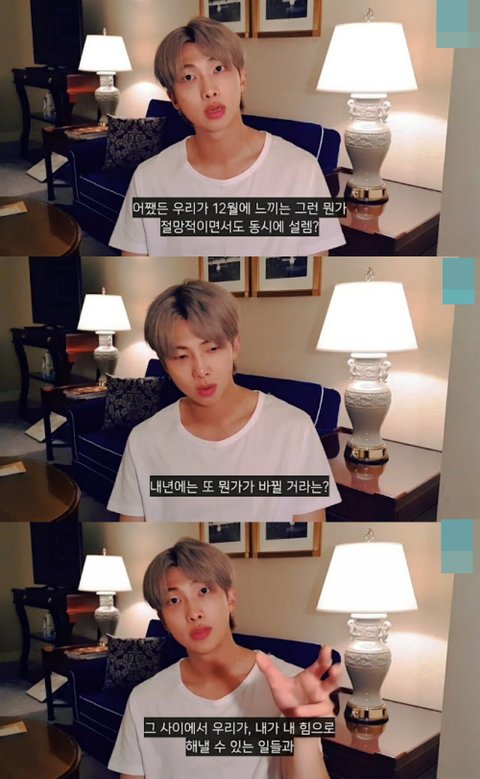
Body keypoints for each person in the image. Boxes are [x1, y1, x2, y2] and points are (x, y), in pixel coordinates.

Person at [109, 15, 345, 256]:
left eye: (218, 69)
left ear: (242, 78)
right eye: (189, 77)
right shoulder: (148, 179)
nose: (209, 90)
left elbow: (317, 263)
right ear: (174, 99)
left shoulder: (301, 171)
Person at [107, 279, 341, 522]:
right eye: (181, 356)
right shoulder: (144, 440)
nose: (200, 370)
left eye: (212, 349)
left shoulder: (295, 430)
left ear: (235, 346)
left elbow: (311, 527)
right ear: (164, 364)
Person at [108, 537, 339, 779]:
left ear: (230, 598)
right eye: (174, 600)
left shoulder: (289, 686)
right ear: (163, 620)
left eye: (203, 591)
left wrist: (302, 732)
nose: (193, 613)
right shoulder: (144, 699)